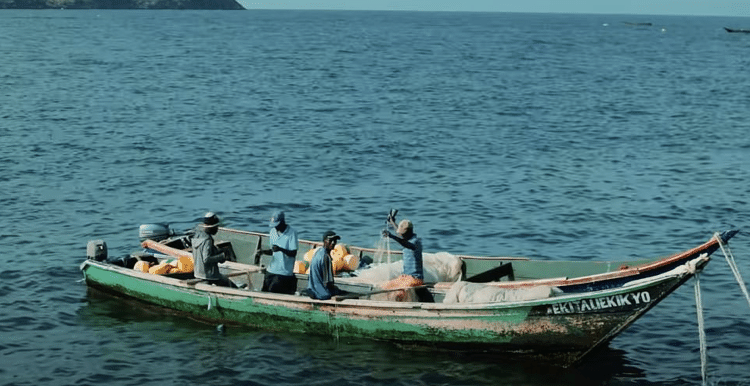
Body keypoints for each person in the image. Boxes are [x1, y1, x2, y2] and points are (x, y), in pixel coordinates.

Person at [381, 214, 431, 301]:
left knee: (400, 292)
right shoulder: (406, 237)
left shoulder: (416, 242)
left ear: (409, 232)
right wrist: (392, 221)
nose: (402, 235)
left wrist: (392, 236)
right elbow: (400, 233)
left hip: (415, 279)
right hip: (404, 277)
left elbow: (405, 244)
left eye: (403, 234)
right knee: (386, 287)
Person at [256, 210, 299, 294]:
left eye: (277, 225)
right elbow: (273, 251)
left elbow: (293, 253)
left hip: (284, 272)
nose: (275, 227)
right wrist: (263, 252)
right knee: (264, 291)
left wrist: (281, 249)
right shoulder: (272, 232)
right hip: (271, 269)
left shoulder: (292, 233)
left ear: (282, 222)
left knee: (273, 291)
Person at [192, 212, 234, 287]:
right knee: (230, 285)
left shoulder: (197, 236)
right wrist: (222, 256)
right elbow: (206, 259)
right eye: (216, 227)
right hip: (209, 276)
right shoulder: (208, 239)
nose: (217, 229)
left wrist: (215, 251)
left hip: (198, 273)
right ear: (212, 227)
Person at [304, 230, 344, 300]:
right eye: (330, 240)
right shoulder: (325, 257)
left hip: (312, 287)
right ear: (325, 241)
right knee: (341, 292)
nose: (333, 243)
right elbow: (328, 283)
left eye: (335, 240)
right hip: (321, 293)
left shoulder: (319, 251)